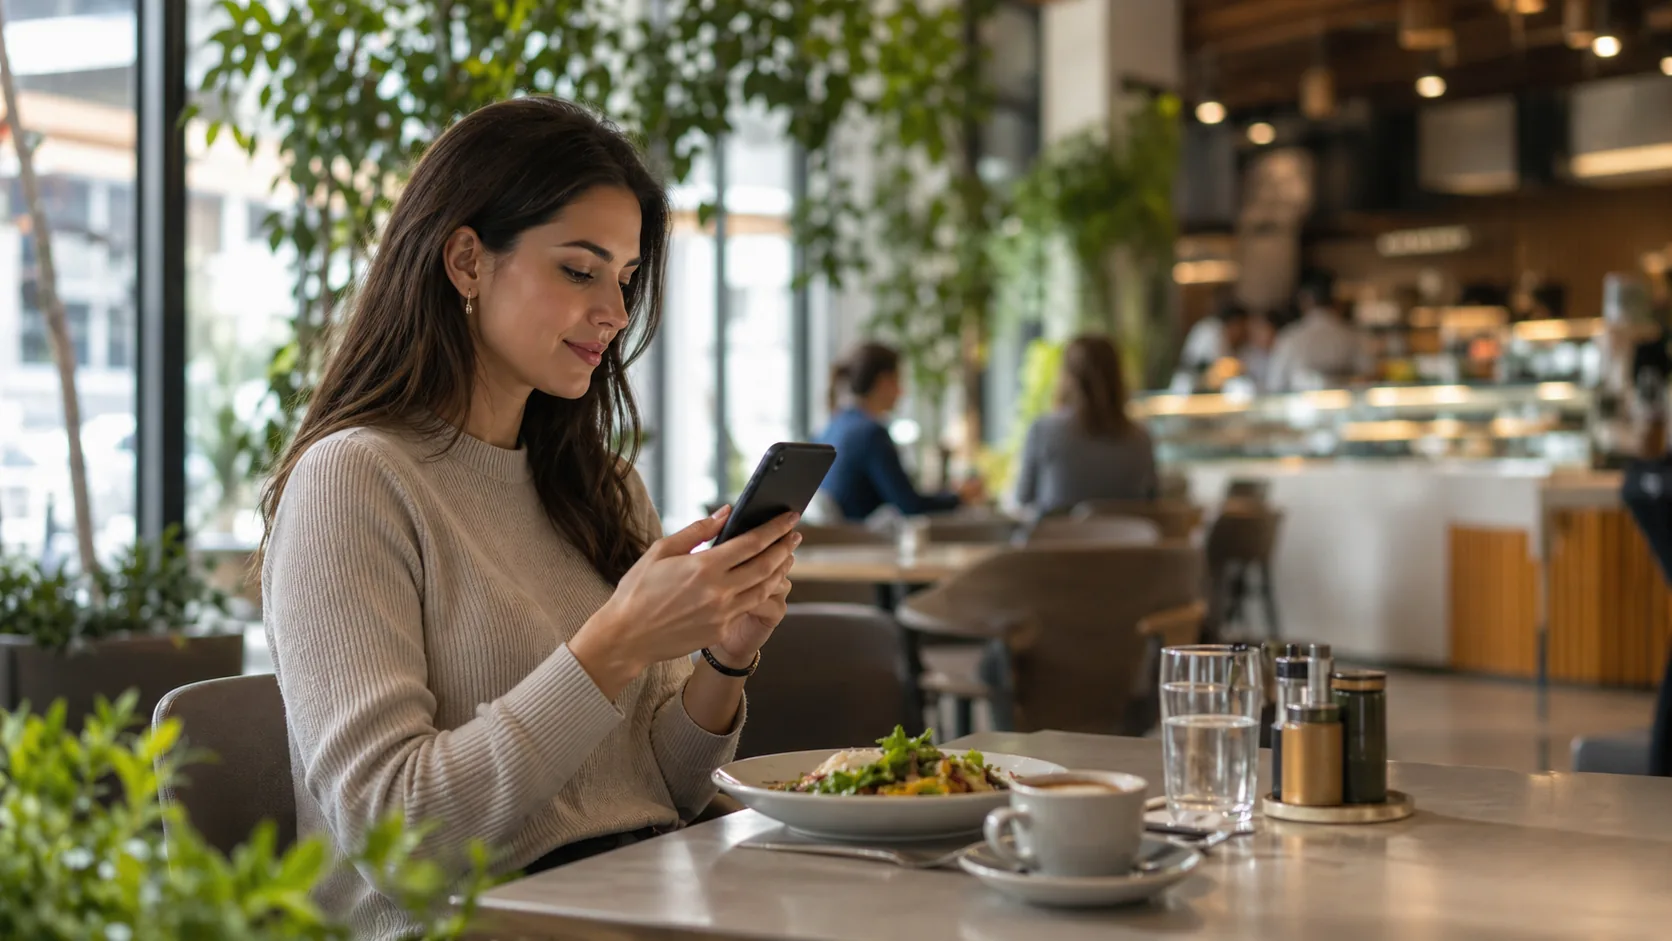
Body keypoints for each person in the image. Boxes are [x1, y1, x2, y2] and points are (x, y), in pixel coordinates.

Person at [260, 98, 799, 940]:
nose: (616, 315)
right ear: (468, 260)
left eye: (624, 280)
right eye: (580, 271)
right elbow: (396, 839)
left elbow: (661, 788)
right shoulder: (355, 481)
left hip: (634, 900)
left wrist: (723, 657)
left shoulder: (603, 488)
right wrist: (612, 641)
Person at [815, 342, 981, 522]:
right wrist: (959, 497)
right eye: (898, 381)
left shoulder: (834, 426)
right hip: (863, 543)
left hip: (837, 541)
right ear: (884, 382)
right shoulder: (870, 434)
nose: (902, 392)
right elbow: (910, 505)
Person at [1014, 334, 1158, 517]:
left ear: (1067, 377)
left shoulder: (1043, 431)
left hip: (1055, 543)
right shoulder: (1141, 438)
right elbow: (1152, 501)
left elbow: (1023, 499)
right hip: (1122, 543)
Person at [1266, 273, 1371, 392]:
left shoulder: (1290, 336)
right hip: (1346, 405)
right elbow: (1367, 375)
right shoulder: (1352, 335)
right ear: (1335, 301)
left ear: (1304, 300)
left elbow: (1274, 384)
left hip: (1302, 408)